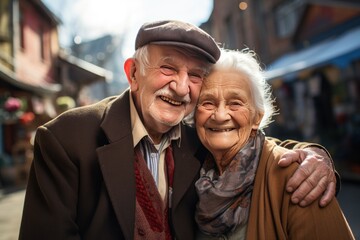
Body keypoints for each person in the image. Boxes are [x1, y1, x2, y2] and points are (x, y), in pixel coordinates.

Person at [19, 20, 337, 240]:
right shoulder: (66, 139)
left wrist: (312, 154)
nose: (181, 87)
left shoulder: (197, 136)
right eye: (168, 68)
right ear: (133, 73)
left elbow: (249, 142)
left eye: (195, 75)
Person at [194, 48, 354, 240]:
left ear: (257, 117)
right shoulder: (194, 169)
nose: (220, 116)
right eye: (208, 103)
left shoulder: (300, 177)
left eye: (235, 103)